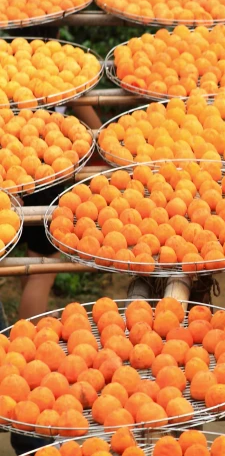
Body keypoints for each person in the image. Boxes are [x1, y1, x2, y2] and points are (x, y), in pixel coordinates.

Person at [7, 25, 102, 456]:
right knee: (40, 266)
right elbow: (82, 99)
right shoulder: (60, 59)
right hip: (49, 160)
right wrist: (98, 137)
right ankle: (22, 353)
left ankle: (18, 352)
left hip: (17, 162)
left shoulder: (16, 63)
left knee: (33, 262)